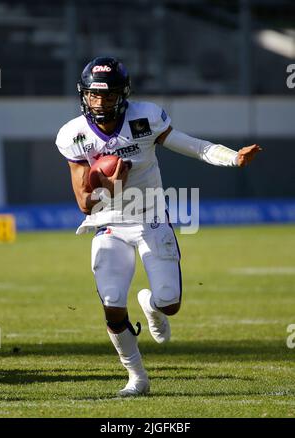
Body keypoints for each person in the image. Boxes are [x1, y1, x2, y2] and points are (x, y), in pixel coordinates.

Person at [55, 56, 261, 397]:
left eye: (108, 95)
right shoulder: (73, 134)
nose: (101, 102)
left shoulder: (145, 117)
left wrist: (231, 157)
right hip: (108, 221)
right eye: (94, 95)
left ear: (123, 94)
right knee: (111, 300)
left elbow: (192, 145)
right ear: (84, 95)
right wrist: (109, 186)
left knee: (170, 302)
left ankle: (151, 304)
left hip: (150, 215)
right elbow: (83, 202)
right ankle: (137, 377)